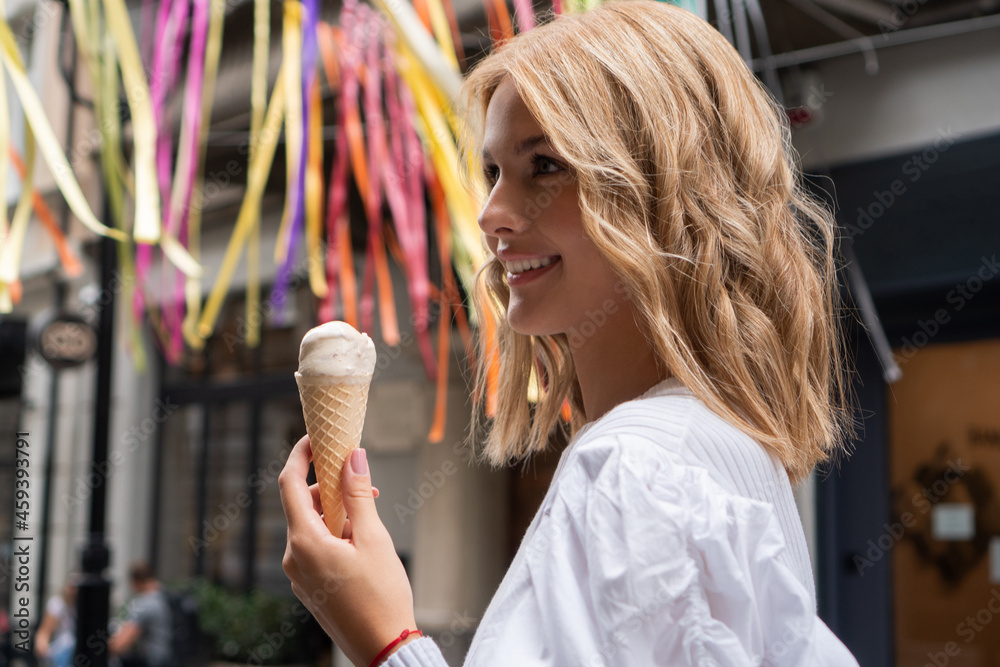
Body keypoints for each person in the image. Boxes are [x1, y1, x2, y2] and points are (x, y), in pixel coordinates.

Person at [279, 1, 862, 664]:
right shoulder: (722, 448)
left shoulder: (632, 467)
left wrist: (383, 638)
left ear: (662, 191)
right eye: (494, 170)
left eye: (546, 166)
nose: (492, 214)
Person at [108, 562, 173, 667]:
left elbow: (119, 645)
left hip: (152, 661)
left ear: (135, 582)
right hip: (168, 658)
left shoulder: (144, 604)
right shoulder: (164, 596)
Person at [34, 575, 78, 667]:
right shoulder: (57, 604)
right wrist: (42, 647)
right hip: (60, 649)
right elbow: (45, 631)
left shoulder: (83, 606)